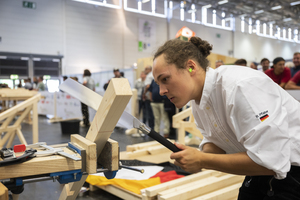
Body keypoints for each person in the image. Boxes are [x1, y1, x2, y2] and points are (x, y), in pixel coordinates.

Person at [152, 37, 300, 199]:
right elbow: (215, 142)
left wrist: (203, 160)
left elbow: (272, 161)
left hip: (292, 172)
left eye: (165, 79)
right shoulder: (198, 102)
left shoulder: (241, 87)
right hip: (261, 172)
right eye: (158, 83)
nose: (161, 91)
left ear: (190, 67)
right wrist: (195, 155)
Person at [142, 65, 154, 130]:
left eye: (146, 69)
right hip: (152, 97)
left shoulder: (149, 76)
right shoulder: (153, 75)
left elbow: (147, 86)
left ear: (149, 69)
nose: (145, 70)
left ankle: (150, 128)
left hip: (149, 97)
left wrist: (144, 93)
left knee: (149, 113)